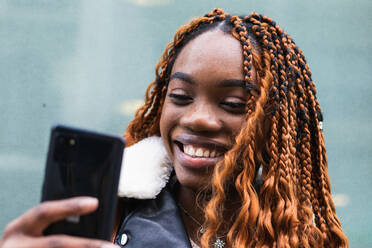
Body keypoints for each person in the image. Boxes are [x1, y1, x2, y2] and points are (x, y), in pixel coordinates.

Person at [0, 8, 348, 248]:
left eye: (233, 105)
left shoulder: (299, 237)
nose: (197, 118)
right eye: (181, 96)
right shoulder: (104, 214)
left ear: (274, 125)